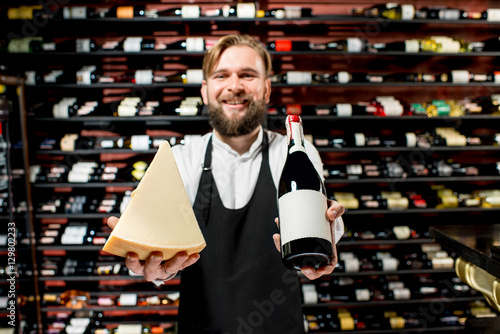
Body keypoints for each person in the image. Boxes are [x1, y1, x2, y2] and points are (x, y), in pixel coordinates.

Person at [106, 34, 345, 334]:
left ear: (267, 88)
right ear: (205, 91)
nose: (235, 86)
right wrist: (151, 262)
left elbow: (323, 220)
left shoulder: (296, 153)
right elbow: (151, 237)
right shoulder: (180, 160)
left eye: (247, 75)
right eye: (221, 76)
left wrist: (326, 237)